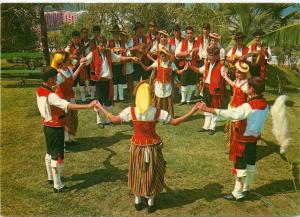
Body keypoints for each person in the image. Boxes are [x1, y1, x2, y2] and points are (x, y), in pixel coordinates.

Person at [94, 81, 200, 213]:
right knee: (152, 173)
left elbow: (114, 119)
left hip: (137, 147)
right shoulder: (156, 112)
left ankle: (138, 201)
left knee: (137, 171)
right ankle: (151, 202)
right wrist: (192, 111)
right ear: (151, 96)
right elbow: (175, 122)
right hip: (153, 147)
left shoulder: (130, 111)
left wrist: (101, 107)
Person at [197, 76, 269, 201]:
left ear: (251, 89)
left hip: (243, 140)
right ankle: (246, 188)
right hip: (253, 140)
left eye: (248, 87)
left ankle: (238, 194)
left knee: (240, 167)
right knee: (251, 164)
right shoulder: (265, 104)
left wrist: (208, 109)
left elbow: (231, 114)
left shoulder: (248, 106)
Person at [36, 66, 97, 193]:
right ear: (50, 79)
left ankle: (51, 178)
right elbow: (68, 105)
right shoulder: (51, 96)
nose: (57, 79)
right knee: (57, 156)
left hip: (47, 126)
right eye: (55, 78)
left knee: (49, 152)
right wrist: (88, 106)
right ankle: (58, 185)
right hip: (55, 128)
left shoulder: (40, 90)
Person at [80, 36, 140, 129]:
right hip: (99, 81)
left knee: (108, 101)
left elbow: (119, 58)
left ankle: (108, 120)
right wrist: (82, 60)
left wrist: (131, 58)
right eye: (101, 45)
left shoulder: (109, 52)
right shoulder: (93, 53)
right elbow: (85, 61)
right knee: (99, 102)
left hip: (108, 81)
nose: (103, 47)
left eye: (104, 45)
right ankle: (99, 121)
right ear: (97, 45)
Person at [139, 47, 189, 117]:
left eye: (164, 55)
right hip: (159, 85)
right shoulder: (158, 62)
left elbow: (178, 72)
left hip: (167, 85)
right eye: (162, 56)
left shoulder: (170, 63)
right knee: (158, 100)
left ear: (167, 56)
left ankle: (167, 116)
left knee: (167, 100)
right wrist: (140, 62)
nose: (163, 57)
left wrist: (184, 69)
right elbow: (147, 69)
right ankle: (157, 115)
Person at [189, 46, 226, 135]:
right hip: (206, 88)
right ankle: (206, 126)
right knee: (205, 107)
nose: (210, 57)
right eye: (209, 55)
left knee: (213, 109)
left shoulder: (221, 66)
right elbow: (198, 70)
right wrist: (190, 66)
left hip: (215, 90)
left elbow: (224, 78)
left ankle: (212, 127)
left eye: (212, 55)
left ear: (217, 56)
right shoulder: (207, 65)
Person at [54, 53, 87, 149]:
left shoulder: (68, 70)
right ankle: (63, 142)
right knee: (64, 120)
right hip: (63, 99)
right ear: (62, 62)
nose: (69, 60)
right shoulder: (58, 73)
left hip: (70, 96)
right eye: (68, 59)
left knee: (73, 118)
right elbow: (56, 87)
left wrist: (80, 67)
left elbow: (73, 77)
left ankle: (70, 138)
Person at [222, 61, 250, 148]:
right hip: (233, 108)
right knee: (232, 130)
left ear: (245, 73)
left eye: (239, 73)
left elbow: (250, 96)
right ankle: (233, 147)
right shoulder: (238, 80)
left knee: (239, 130)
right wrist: (225, 76)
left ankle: (238, 148)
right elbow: (233, 85)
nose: (237, 74)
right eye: (236, 72)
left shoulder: (246, 84)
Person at [175, 25, 200, 105]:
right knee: (183, 82)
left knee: (192, 83)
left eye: (191, 33)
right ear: (186, 34)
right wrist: (184, 54)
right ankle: (183, 99)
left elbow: (202, 55)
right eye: (188, 33)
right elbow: (176, 54)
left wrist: (197, 55)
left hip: (193, 64)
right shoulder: (182, 42)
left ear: (193, 34)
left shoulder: (198, 43)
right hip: (184, 64)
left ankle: (188, 100)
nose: (189, 35)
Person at [65, 30, 87, 103]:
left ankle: (83, 98)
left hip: (80, 67)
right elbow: (67, 56)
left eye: (77, 38)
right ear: (72, 38)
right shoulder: (69, 47)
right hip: (72, 68)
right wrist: (74, 56)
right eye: (74, 38)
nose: (76, 39)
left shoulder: (81, 45)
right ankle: (73, 100)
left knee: (81, 82)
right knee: (73, 84)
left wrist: (82, 58)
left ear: (79, 38)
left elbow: (83, 55)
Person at [108, 24, 127, 101]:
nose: (116, 35)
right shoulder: (109, 43)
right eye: (114, 33)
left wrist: (124, 66)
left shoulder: (122, 43)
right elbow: (108, 55)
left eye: (117, 33)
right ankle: (115, 97)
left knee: (121, 81)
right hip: (113, 65)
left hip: (120, 64)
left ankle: (121, 97)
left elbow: (124, 54)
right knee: (114, 81)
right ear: (112, 34)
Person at [81, 27, 93, 101]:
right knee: (83, 79)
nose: (85, 34)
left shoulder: (91, 42)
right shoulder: (80, 42)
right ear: (81, 33)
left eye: (86, 32)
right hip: (82, 62)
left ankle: (91, 94)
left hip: (90, 62)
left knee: (90, 78)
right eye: (83, 32)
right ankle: (85, 94)